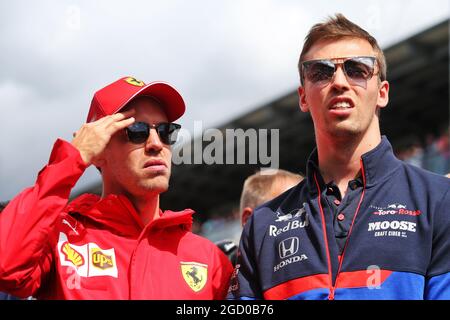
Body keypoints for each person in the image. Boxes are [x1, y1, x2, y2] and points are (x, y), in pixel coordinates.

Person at [228, 14, 450, 300]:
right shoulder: (263, 224)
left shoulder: (439, 200)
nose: (339, 82)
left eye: (357, 69)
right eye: (321, 72)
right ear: (303, 97)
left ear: (382, 93)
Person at [0, 76, 233, 300]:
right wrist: (73, 158)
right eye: (137, 131)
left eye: (165, 131)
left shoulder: (209, 258)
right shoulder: (60, 237)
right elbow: (6, 267)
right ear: (98, 152)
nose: (155, 144)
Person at [216, 170, 303, 267]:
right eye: (287, 209)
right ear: (249, 220)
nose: (299, 221)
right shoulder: (223, 266)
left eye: (304, 211)